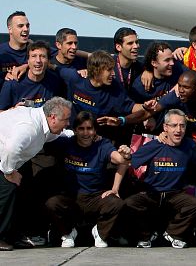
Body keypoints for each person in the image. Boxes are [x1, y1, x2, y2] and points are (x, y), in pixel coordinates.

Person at [44, 111, 130, 248]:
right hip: (72, 197)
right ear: (75, 130)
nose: (85, 133)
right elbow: (43, 139)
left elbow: (120, 160)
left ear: (95, 130)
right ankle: (68, 233)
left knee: (117, 203)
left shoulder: (103, 144)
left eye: (89, 128)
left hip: (96, 197)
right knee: (52, 203)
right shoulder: (66, 143)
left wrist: (125, 156)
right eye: (81, 129)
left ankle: (100, 233)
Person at [126, 109, 196, 248]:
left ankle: (172, 234)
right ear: (165, 127)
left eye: (182, 125)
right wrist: (126, 154)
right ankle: (146, 236)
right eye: (174, 125)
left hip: (175, 194)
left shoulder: (189, 146)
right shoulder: (154, 145)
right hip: (152, 193)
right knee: (129, 203)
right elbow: (129, 161)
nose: (178, 130)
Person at [0, 97, 72, 251]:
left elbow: (56, 134)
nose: (67, 123)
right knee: (8, 191)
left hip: (12, 160)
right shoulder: (30, 127)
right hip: (4, 160)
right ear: (53, 117)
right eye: (65, 120)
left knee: (23, 191)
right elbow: (11, 149)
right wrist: (9, 172)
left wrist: (76, 135)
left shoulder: (43, 121)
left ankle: (13, 234)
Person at [60, 51, 153, 142]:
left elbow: (132, 107)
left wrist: (147, 106)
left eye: (113, 69)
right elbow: (52, 66)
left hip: (96, 142)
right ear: (97, 70)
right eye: (109, 70)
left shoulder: (115, 90)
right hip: (72, 137)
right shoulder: (75, 78)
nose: (113, 73)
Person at [127, 69, 196, 140]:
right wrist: (122, 120)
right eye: (179, 85)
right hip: (185, 138)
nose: (180, 90)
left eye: (185, 87)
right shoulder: (176, 95)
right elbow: (148, 113)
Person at [0, 41, 64, 110]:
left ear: (48, 61)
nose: (38, 60)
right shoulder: (12, 83)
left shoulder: (55, 81)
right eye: (34, 56)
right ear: (28, 60)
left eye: (42, 56)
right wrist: (15, 110)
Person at [0, 11, 30, 90]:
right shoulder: (1, 52)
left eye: (27, 25)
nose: (25, 29)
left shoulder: (36, 51)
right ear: (10, 29)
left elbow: (54, 60)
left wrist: (27, 66)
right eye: (20, 26)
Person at [111, 27, 142, 93]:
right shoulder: (106, 65)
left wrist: (148, 72)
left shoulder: (141, 69)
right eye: (130, 43)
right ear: (118, 47)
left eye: (136, 42)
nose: (136, 46)